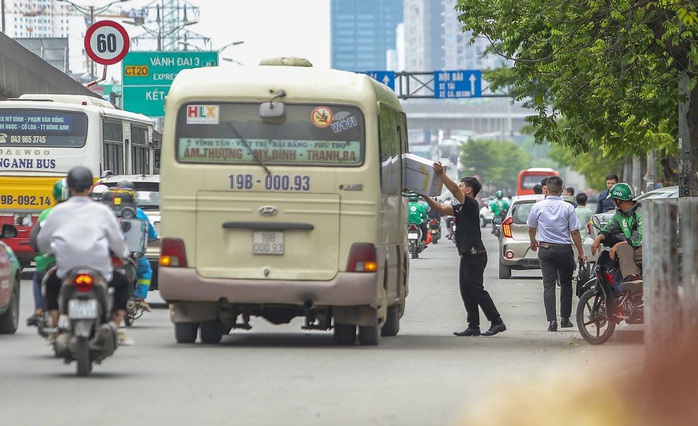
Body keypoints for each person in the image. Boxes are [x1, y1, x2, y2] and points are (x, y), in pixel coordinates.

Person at [36, 166, 133, 345]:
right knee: (121, 283)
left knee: (49, 284)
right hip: (99, 271)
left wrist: (51, 248)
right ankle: (116, 325)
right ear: (90, 187)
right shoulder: (103, 211)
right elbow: (117, 241)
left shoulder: (57, 211)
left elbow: (42, 242)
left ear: (70, 187)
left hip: (66, 271)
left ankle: (57, 327)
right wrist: (125, 255)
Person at [423, 163, 506, 337]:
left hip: (475, 254)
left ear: (468, 190)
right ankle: (473, 325)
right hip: (467, 255)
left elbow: (453, 190)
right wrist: (424, 196)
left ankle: (496, 321)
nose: (458, 189)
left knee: (476, 289)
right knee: (466, 290)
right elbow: (440, 209)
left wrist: (441, 175)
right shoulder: (460, 207)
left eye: (461, 186)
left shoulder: (471, 204)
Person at [527, 176, 587, 331]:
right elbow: (574, 232)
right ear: (561, 190)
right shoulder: (568, 208)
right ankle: (565, 319)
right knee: (566, 283)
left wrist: (533, 241)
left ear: (546, 188)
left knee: (548, 285)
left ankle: (552, 321)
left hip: (545, 250)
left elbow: (531, 227)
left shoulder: (538, 207)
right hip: (564, 250)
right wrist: (581, 252)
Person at [26, 179, 71, 327]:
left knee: (38, 279)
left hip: (49, 262)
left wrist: (38, 248)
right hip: (75, 261)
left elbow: (35, 239)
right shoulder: (82, 212)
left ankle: (39, 309)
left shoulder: (47, 213)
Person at [114, 180, 158, 311]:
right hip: (133, 254)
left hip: (111, 253)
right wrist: (153, 237)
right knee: (145, 271)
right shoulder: (138, 212)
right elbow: (150, 233)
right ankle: (138, 297)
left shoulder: (107, 211)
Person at [590, 182, 642, 285]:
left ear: (619, 200)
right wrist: (599, 238)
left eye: (613, 200)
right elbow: (609, 228)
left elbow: (640, 238)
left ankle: (633, 279)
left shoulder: (640, 213)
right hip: (633, 248)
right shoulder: (620, 215)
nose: (612, 203)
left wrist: (618, 245)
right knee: (622, 249)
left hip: (646, 249)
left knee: (622, 248)